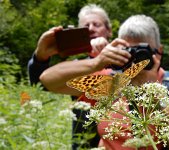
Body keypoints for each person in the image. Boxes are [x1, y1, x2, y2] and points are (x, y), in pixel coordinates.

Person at [40, 14, 169, 150]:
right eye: (130, 53)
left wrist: (153, 92)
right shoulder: (111, 80)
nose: (135, 61)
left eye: (142, 53)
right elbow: (47, 80)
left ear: (159, 51)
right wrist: (97, 62)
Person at [27, 4, 112, 149]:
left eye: (96, 24)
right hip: (83, 144)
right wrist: (40, 56)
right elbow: (40, 84)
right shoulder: (76, 66)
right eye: (86, 26)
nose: (91, 28)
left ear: (108, 31)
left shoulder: (125, 58)